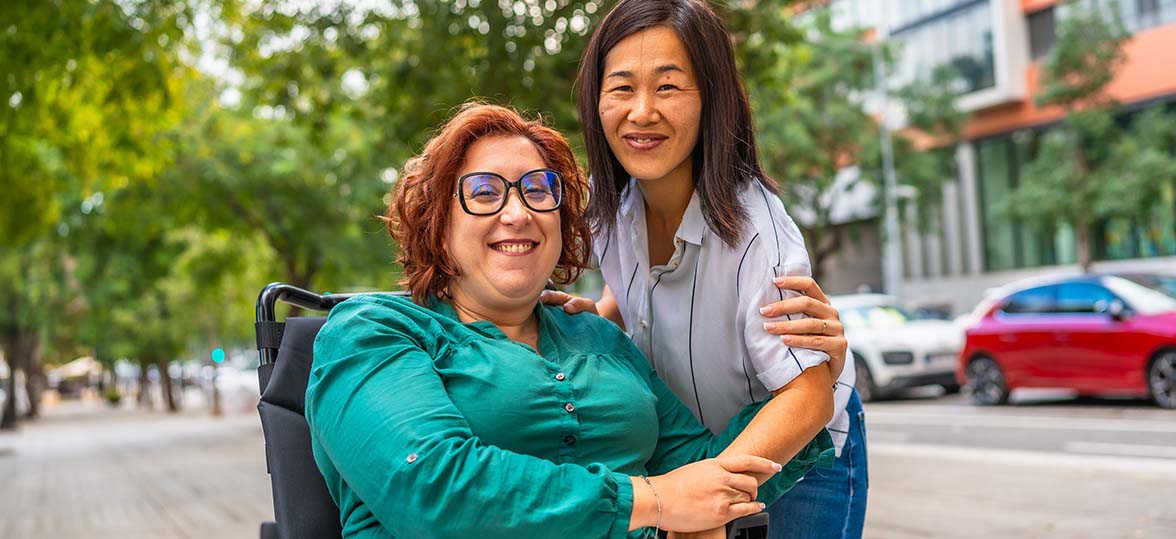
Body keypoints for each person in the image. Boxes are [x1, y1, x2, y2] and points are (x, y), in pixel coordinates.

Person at [304, 103, 835, 539]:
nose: (518, 212)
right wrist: (649, 499)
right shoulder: (371, 332)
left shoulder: (600, 337)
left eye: (538, 189)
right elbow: (432, 490)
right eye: (485, 192)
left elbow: (699, 468)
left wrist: (806, 379)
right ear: (438, 225)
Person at [545, 1, 869, 538]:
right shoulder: (608, 205)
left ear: (710, 100)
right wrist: (599, 317)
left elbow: (807, 393)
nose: (642, 111)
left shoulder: (755, 231)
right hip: (696, 450)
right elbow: (636, 291)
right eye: (622, 88)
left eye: (668, 87)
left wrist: (706, 500)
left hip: (798, 451)